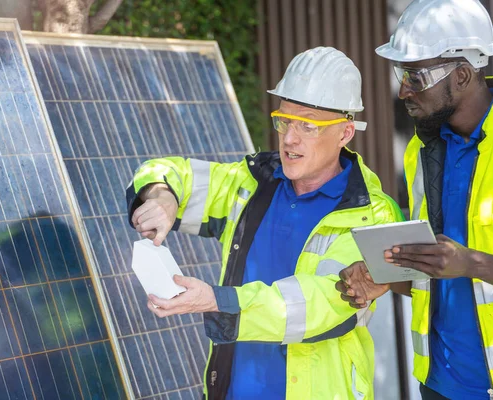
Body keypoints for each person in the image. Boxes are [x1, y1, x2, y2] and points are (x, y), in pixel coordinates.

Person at [126, 46, 402, 400]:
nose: (289, 138)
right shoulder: (253, 182)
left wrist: (216, 300)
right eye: (284, 121)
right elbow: (167, 170)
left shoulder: (373, 214)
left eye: (308, 125)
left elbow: (320, 305)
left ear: (345, 133)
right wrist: (162, 195)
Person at [336, 0, 493, 399]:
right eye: (401, 73)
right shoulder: (421, 150)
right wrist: (387, 276)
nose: (403, 89)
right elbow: (440, 274)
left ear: (462, 74)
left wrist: (473, 263)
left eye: (415, 75)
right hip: (439, 385)